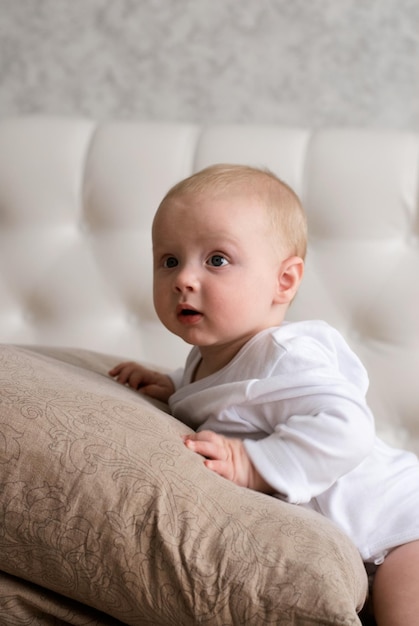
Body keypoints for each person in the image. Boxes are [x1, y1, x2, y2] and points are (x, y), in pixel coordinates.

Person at [109, 163, 419, 625]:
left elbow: (347, 427)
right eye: (169, 260)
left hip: (402, 523)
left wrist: (253, 465)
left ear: (285, 281)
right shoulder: (204, 359)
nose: (183, 279)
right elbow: (231, 396)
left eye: (216, 260)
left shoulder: (285, 353)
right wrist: (173, 385)